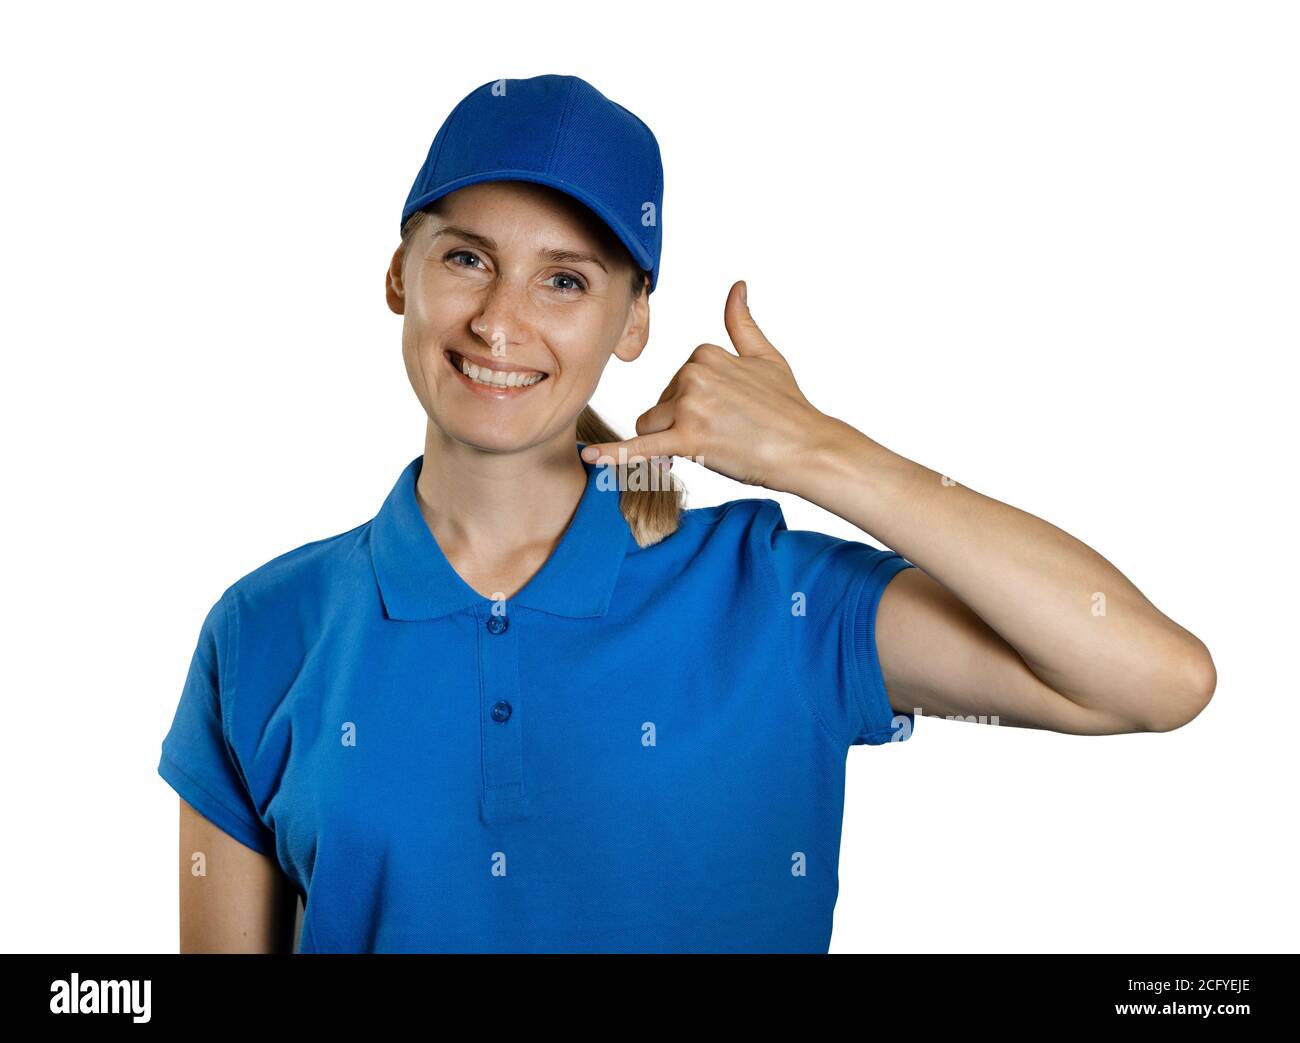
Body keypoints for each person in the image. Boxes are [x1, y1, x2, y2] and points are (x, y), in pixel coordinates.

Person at [158, 74, 1217, 954]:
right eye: (467, 257)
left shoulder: (772, 598)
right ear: (400, 273)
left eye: (564, 280)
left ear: (633, 322)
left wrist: (819, 451)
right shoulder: (264, 626)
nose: (498, 319)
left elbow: (1154, 677)